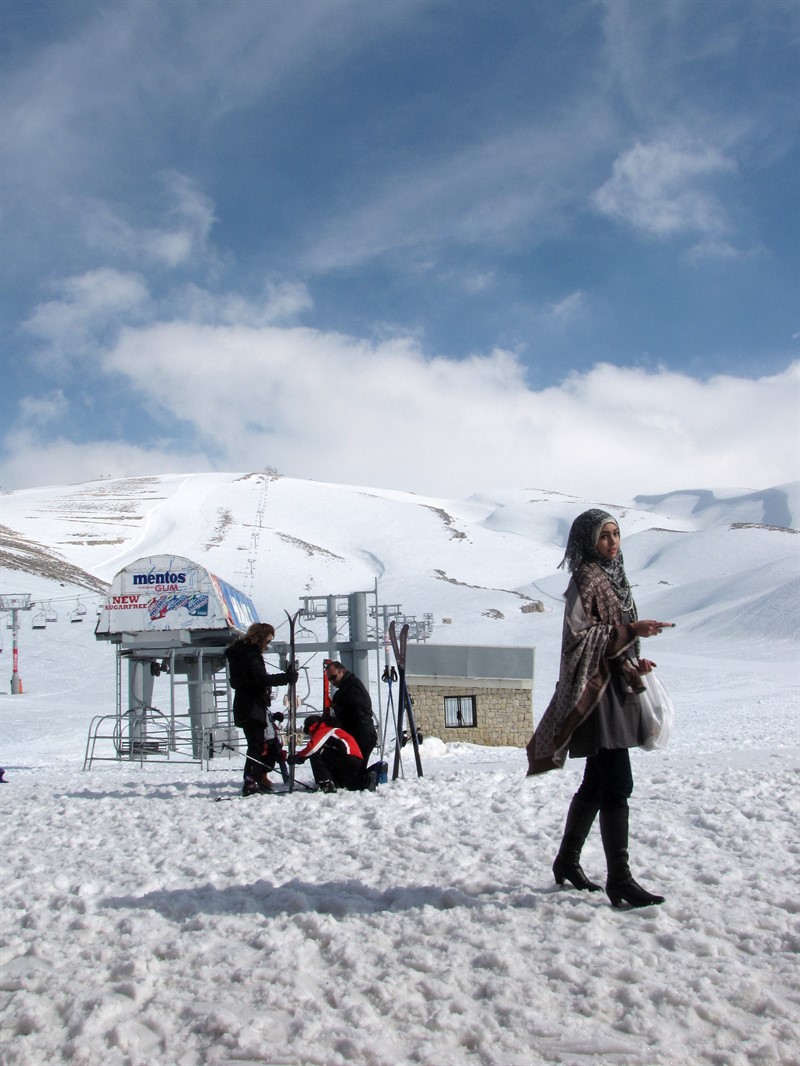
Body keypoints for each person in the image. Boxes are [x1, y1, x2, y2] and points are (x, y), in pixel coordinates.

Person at [526, 509, 673, 908]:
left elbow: (616, 636)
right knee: (617, 784)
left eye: (616, 534)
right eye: (604, 536)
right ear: (588, 542)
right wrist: (629, 631)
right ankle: (620, 879)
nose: (612, 542)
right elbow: (577, 637)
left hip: (617, 688)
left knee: (598, 783)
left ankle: (567, 861)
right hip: (597, 694)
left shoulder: (616, 579)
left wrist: (635, 654)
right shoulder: (586, 580)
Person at [225, 622, 297, 796]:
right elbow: (261, 679)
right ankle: (251, 780)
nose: (268, 643)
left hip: (243, 703)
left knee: (256, 744)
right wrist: (286, 678)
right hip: (253, 704)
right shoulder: (252, 655)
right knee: (258, 745)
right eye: (268, 639)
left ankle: (254, 777)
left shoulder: (238, 653)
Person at [323, 661, 378, 785]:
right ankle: (369, 775)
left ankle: (368, 778)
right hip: (364, 734)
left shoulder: (351, 689)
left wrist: (337, 718)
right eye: (329, 679)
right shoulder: (350, 687)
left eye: (333, 677)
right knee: (355, 771)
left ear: (341, 672)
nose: (332, 681)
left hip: (361, 735)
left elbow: (355, 711)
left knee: (350, 777)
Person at [288, 715, 365, 792]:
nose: (311, 736)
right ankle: (365, 781)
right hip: (355, 760)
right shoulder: (333, 730)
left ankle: (326, 783)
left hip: (348, 758)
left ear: (310, 727)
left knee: (316, 753)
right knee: (347, 784)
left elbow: (313, 748)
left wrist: (298, 757)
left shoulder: (324, 730)